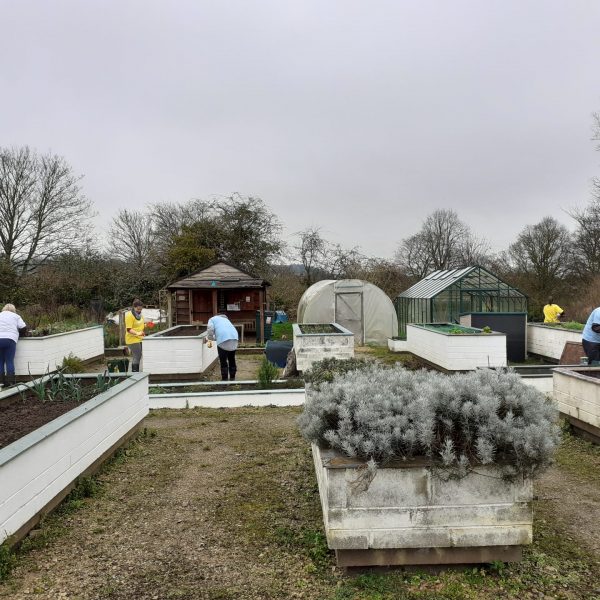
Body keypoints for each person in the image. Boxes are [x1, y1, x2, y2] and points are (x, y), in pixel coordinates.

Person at [206, 313, 239, 381]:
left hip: (223, 340)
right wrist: (214, 338)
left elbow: (210, 329)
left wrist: (209, 339)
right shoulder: (226, 320)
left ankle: (224, 379)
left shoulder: (212, 319)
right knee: (232, 359)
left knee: (223, 361)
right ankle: (232, 377)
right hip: (234, 338)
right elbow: (223, 331)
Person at [0, 303, 26, 387]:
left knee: (0, 361)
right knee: (9, 360)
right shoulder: (16, 316)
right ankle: (10, 383)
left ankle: (1, 382)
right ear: (13, 309)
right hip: (10, 339)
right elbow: (23, 327)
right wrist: (21, 335)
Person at [125, 299, 145, 372]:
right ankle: (135, 373)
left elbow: (140, 324)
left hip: (140, 338)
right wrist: (137, 333)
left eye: (141, 309)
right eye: (138, 309)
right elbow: (129, 329)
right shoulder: (129, 315)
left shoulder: (140, 315)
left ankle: (136, 373)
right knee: (137, 355)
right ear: (134, 307)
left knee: (138, 356)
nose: (139, 310)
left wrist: (147, 325)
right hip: (132, 339)